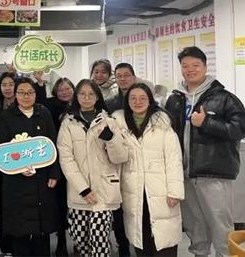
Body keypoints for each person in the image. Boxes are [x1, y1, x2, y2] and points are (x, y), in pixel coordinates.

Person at [166, 46, 245, 257]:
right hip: (185, 173)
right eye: (185, 66)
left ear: (205, 66)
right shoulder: (175, 99)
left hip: (213, 173)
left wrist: (206, 122)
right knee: (195, 225)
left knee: (220, 225)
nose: (190, 69)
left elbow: (240, 128)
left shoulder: (224, 98)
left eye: (195, 65)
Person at [57, 79, 128, 257]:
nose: (86, 98)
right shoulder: (68, 123)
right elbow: (66, 159)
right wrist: (83, 188)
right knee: (80, 239)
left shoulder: (109, 121)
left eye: (91, 94)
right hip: (79, 193)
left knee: (99, 240)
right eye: (82, 94)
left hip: (104, 192)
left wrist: (111, 139)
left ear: (97, 97)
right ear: (76, 96)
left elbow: (120, 157)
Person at [114, 83, 184, 256]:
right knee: (140, 236)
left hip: (161, 190)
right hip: (133, 190)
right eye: (133, 98)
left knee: (163, 239)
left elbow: (174, 159)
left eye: (142, 98)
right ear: (127, 101)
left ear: (150, 100)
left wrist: (175, 191)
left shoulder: (163, 124)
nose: (137, 102)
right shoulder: (118, 124)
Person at [0, 78, 60, 257]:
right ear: (15, 95)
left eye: (30, 92)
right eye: (21, 92)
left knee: (41, 225)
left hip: (42, 177)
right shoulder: (7, 116)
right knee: (19, 226)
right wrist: (18, 167)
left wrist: (54, 172)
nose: (26, 96)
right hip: (16, 179)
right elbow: (0, 147)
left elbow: (52, 143)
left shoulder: (43, 113)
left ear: (35, 94)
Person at [35, 77, 74, 257]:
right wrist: (39, 84)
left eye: (67, 89)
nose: (64, 92)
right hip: (57, 159)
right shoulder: (50, 106)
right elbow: (39, 102)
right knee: (59, 203)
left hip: (78, 160)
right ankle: (61, 241)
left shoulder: (80, 104)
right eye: (60, 90)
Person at [0, 72, 17, 256]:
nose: (7, 88)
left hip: (22, 160)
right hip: (2, 162)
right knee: (3, 206)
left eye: (11, 84)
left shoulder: (25, 106)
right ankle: (5, 247)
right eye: (4, 85)